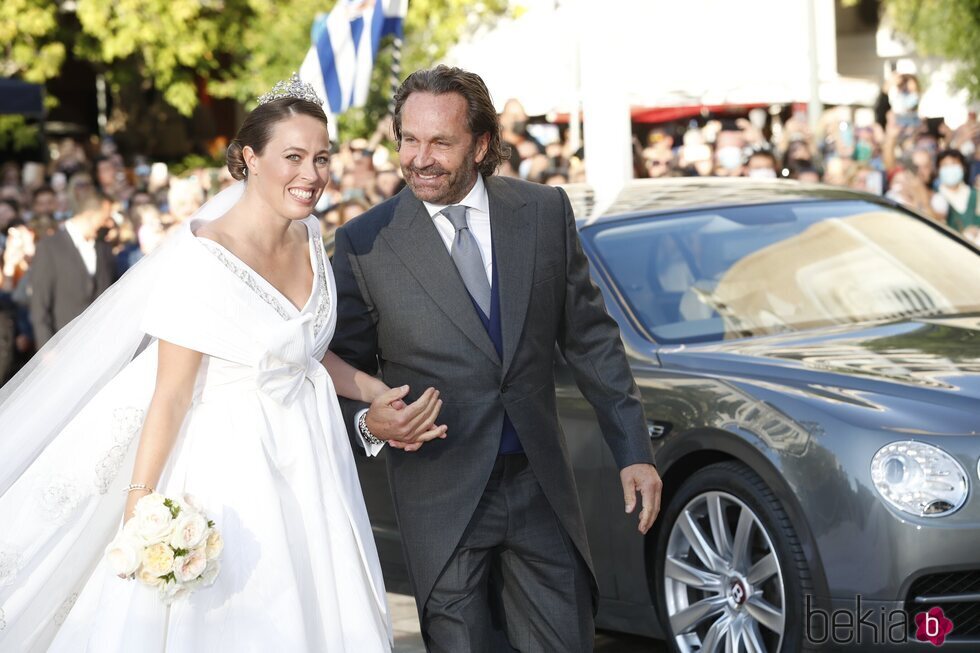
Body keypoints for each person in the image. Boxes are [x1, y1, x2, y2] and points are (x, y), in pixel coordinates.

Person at [0, 76, 419, 651]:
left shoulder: (310, 236)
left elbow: (302, 351)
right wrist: (140, 509)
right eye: (292, 157)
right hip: (234, 470)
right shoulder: (202, 259)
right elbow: (169, 395)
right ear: (249, 158)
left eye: (321, 158)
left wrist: (373, 390)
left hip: (314, 464)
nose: (312, 174)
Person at [330, 65, 662, 652]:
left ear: (481, 145)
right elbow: (338, 376)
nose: (419, 158)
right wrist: (368, 425)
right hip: (440, 494)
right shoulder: (365, 243)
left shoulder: (543, 212)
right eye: (408, 139)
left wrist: (633, 450)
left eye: (440, 142)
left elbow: (590, 340)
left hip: (541, 488)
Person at [28, 192, 117, 347]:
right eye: (106, 217)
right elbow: (39, 304)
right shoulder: (50, 247)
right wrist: (46, 349)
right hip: (62, 346)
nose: (109, 223)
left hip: (101, 346)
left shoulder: (104, 248)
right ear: (90, 215)